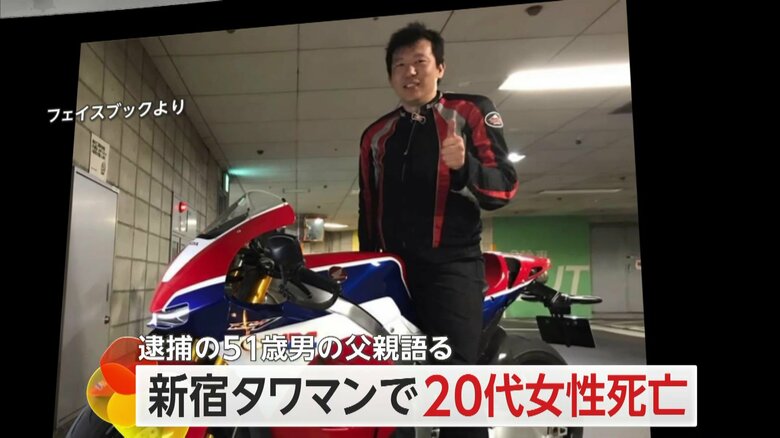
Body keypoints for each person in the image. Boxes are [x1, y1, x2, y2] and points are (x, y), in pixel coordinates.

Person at [358, 22, 517, 437]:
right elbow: (368, 206)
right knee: (384, 379)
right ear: (390, 75)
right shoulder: (375, 135)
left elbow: (504, 187)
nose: (410, 72)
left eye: (420, 62)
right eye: (399, 64)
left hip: (451, 267)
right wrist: (364, 265)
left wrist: (465, 167)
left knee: (455, 387)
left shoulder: (470, 112)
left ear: (440, 68)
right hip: (392, 270)